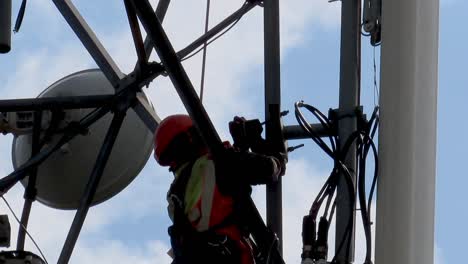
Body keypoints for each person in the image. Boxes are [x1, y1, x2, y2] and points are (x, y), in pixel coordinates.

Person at [153, 114, 286, 264]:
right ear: (192, 136)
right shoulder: (218, 162)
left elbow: (223, 193)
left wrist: (240, 147)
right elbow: (269, 168)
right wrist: (257, 142)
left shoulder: (175, 196)